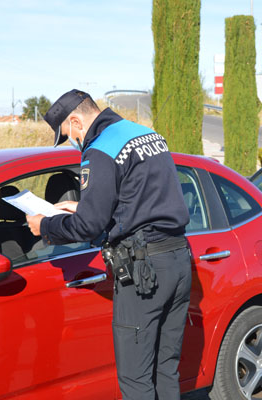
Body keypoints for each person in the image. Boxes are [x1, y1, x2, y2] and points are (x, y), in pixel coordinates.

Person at [25, 89, 191, 400]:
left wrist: (44, 225)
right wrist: (82, 206)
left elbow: (88, 227)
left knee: (136, 379)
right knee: (166, 369)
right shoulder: (145, 134)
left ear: (76, 121)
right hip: (179, 259)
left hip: (144, 272)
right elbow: (140, 197)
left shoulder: (100, 150)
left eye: (68, 135)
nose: (74, 142)